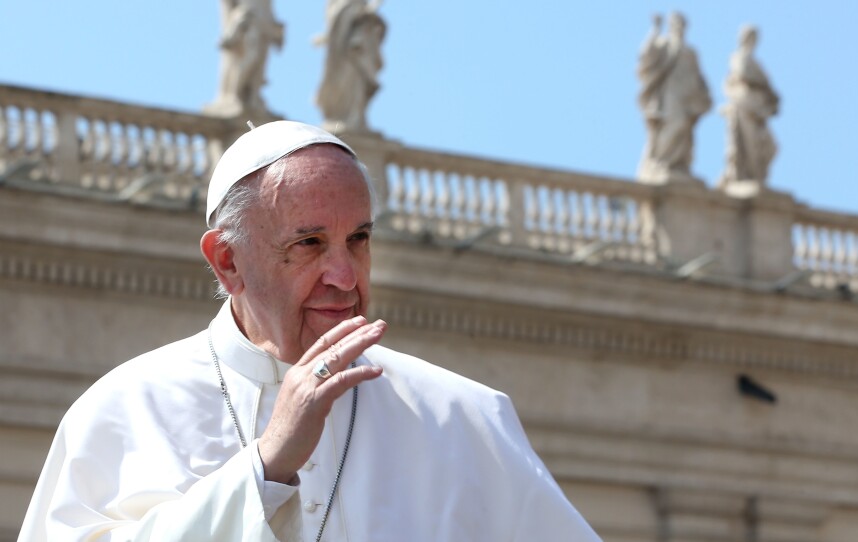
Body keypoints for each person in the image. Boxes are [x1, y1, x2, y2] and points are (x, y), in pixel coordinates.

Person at [19, 120, 603, 541]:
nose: (345, 277)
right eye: (309, 244)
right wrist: (265, 467)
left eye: (359, 239)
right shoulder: (123, 411)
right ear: (228, 261)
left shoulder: (465, 418)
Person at [637, 12, 711, 183]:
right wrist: (655, 30)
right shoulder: (665, 44)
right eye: (676, 24)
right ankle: (661, 163)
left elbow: (699, 77)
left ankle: (677, 166)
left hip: (688, 97)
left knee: (684, 130)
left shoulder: (691, 52)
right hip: (670, 93)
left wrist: (704, 95)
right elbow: (647, 54)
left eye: (682, 24)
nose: (679, 27)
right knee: (674, 124)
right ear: (670, 26)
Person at [718, 25, 780, 187]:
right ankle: (747, 177)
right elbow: (743, 73)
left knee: (769, 147)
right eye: (750, 37)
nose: (753, 40)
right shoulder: (739, 57)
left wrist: (770, 96)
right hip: (746, 106)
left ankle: (754, 176)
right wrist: (764, 85)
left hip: (758, 110)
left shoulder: (755, 62)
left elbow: (767, 85)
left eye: (755, 37)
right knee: (750, 146)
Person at [315, 0, 386, 132]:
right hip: (343, 54)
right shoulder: (344, 5)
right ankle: (343, 117)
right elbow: (337, 23)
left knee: (355, 83)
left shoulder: (358, 5)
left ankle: (354, 118)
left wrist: (370, 19)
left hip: (356, 52)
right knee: (344, 81)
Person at [206, 0, 285, 117]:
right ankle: (234, 95)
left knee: (260, 64)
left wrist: (275, 25)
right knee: (251, 58)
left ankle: (253, 97)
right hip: (247, 19)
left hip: (265, 21)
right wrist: (229, 27)